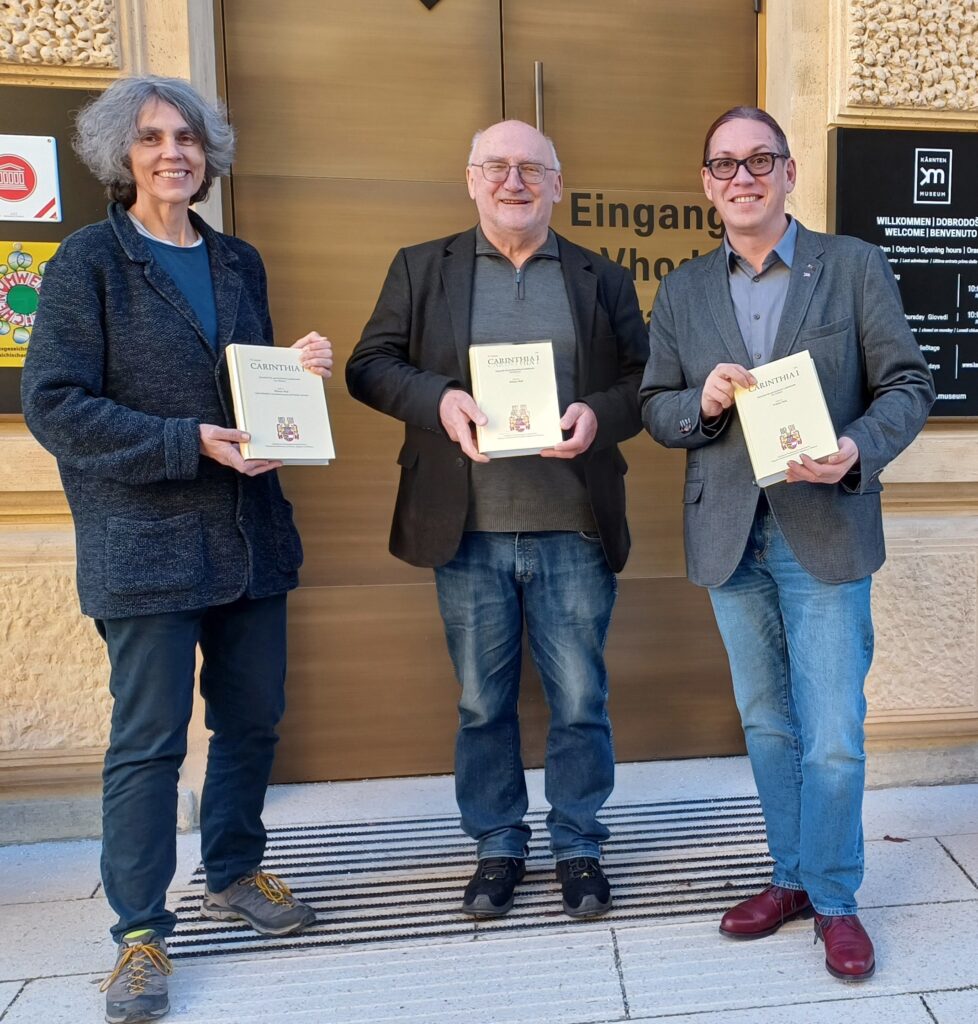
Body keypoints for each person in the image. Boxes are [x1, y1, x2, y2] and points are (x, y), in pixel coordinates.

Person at [21, 76, 332, 1024]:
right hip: (144, 545)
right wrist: (183, 440)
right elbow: (54, 404)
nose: (174, 154)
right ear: (123, 154)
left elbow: (252, 399)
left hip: (247, 540)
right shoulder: (90, 262)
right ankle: (139, 932)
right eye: (153, 138)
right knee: (149, 744)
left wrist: (296, 379)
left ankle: (235, 870)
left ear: (210, 152)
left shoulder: (239, 260)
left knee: (252, 722)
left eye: (188, 138)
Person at [640, 106, 934, 981]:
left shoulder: (851, 267)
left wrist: (854, 450)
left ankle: (837, 899)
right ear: (706, 184)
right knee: (768, 726)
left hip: (826, 530)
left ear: (789, 173)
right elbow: (656, 407)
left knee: (833, 732)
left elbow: (908, 385)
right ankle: (793, 879)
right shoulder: (685, 289)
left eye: (759, 160)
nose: (743, 177)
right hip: (732, 539)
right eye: (724, 164)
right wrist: (703, 403)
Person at [347, 120, 647, 919]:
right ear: (471, 178)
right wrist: (437, 399)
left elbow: (646, 381)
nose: (514, 182)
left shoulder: (598, 275)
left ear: (557, 183)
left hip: (573, 524)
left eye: (531, 169)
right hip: (468, 528)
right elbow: (369, 365)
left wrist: (596, 414)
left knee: (581, 698)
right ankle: (498, 844)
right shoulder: (423, 268)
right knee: (483, 702)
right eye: (498, 167)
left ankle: (579, 843)